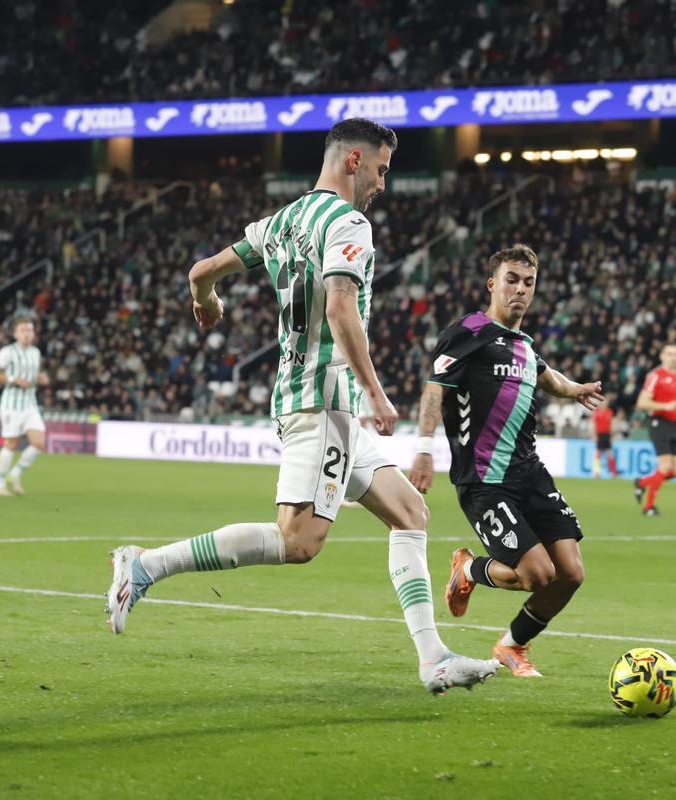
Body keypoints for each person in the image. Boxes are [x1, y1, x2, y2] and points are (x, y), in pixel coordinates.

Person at [106, 118, 499, 694]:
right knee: (297, 541)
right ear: (355, 161)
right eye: (383, 170)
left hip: (321, 401)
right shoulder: (348, 223)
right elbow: (341, 309)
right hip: (322, 400)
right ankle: (144, 565)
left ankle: (432, 657)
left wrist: (206, 301)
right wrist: (375, 391)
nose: (384, 185)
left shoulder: (280, 222)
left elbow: (201, 272)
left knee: (411, 512)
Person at [409, 244, 605, 678]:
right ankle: (470, 568)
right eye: (511, 280)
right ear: (492, 284)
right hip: (484, 480)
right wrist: (423, 449)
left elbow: (545, 374)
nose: (519, 289)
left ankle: (512, 645)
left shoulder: (523, 345)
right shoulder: (469, 331)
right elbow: (434, 389)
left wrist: (574, 389)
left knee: (570, 573)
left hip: (529, 472)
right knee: (538, 574)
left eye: (528, 282)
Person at [0, 316, 50, 496]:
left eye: (29, 330)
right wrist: (14, 379)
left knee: (39, 442)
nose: (27, 334)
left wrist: (40, 378)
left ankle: (15, 474)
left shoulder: (35, 353)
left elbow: (32, 375)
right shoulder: (8, 352)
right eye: (22, 330)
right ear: (15, 334)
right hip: (11, 405)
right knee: (11, 444)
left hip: (30, 404)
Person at [633, 344, 676, 516]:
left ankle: (643, 483)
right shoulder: (655, 376)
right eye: (669, 354)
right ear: (662, 357)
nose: (673, 357)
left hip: (673, 424)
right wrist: (665, 406)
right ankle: (648, 507)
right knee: (664, 465)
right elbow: (642, 403)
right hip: (658, 422)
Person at [591, 393, 618, 478]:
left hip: (607, 435)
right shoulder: (596, 412)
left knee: (609, 453)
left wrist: (611, 436)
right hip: (599, 434)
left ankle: (614, 473)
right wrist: (594, 435)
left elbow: (611, 425)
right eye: (603, 402)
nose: (604, 404)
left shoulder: (609, 412)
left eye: (606, 402)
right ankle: (596, 472)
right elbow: (594, 425)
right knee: (598, 453)